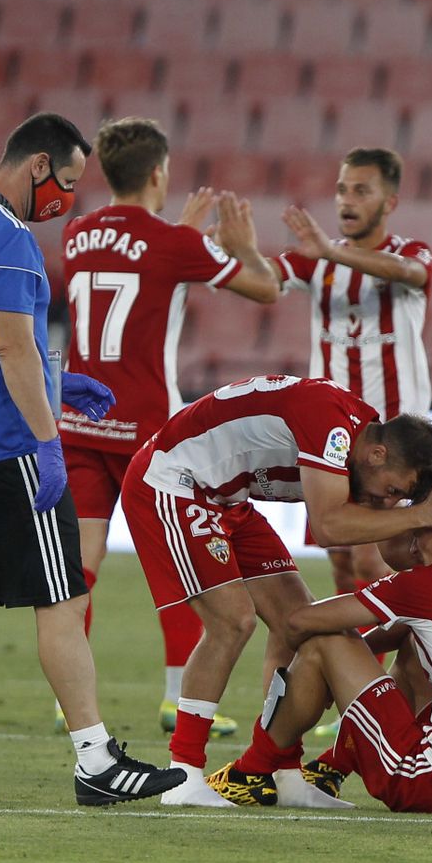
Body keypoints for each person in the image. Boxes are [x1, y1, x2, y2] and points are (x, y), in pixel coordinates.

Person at [0, 112, 183, 807]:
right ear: (37, 166)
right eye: (67, 181)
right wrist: (50, 438)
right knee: (62, 600)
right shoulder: (9, 238)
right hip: (10, 452)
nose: (67, 198)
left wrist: (60, 379)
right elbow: (10, 347)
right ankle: (96, 760)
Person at [119, 373, 432, 806]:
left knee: (298, 624)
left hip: (226, 499)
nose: (388, 502)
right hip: (174, 480)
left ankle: (284, 773)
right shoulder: (331, 427)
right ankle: (184, 774)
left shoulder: (359, 441)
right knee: (232, 622)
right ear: (378, 454)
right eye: (391, 490)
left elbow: (380, 536)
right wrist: (423, 516)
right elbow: (329, 527)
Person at [53, 116, 282, 741]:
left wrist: (177, 233)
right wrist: (240, 246)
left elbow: (137, 264)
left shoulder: (76, 234)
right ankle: (178, 699)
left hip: (79, 425)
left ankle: (69, 696)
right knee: (178, 565)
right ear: (159, 173)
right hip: (148, 435)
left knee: (80, 564)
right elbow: (266, 290)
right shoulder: (173, 243)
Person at [207, 481, 432, 814]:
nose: (413, 540)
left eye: (423, 528)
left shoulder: (427, 585)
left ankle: (252, 770)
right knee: (415, 642)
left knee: (324, 641)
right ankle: (330, 767)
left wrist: (326, 667)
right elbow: (413, 626)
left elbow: (298, 621)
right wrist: (340, 674)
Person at [278, 147, 432, 598]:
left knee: (372, 558)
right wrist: (232, 252)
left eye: (362, 191)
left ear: (390, 202)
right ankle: (365, 646)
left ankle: (416, 633)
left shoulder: (410, 252)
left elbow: (411, 273)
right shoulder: (316, 260)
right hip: (332, 435)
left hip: (394, 438)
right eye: (342, 190)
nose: (347, 200)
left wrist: (332, 252)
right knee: (343, 567)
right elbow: (265, 279)